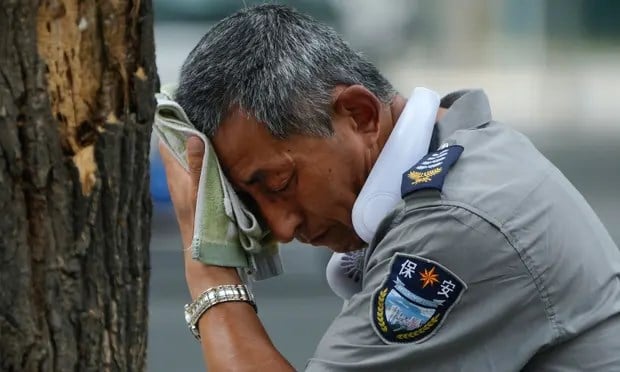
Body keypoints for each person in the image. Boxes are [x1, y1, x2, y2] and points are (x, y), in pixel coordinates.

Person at [159, 4, 620, 371]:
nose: (280, 226)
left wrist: (210, 270)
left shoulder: (451, 223)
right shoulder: (466, 152)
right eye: (248, 202)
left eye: (280, 183)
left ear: (360, 113)